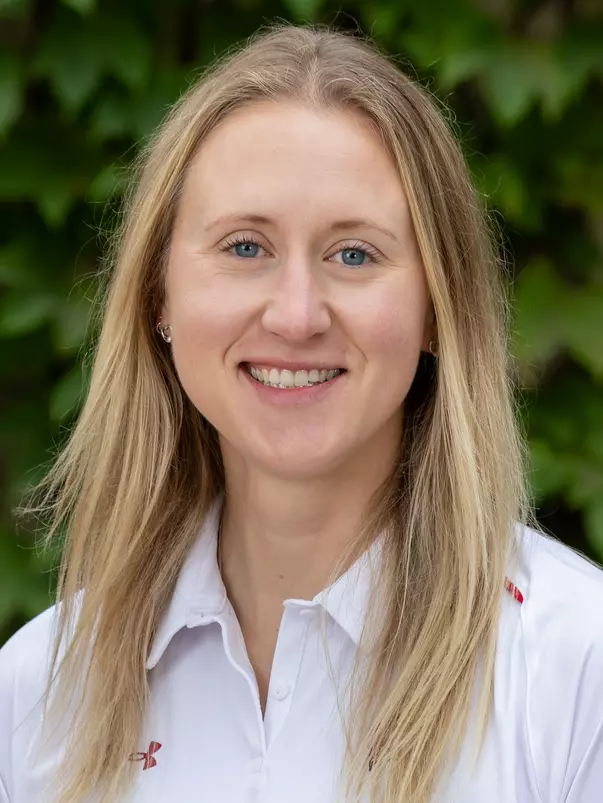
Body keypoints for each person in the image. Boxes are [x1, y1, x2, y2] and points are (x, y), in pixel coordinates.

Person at [1, 21, 602, 803]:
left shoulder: (573, 662)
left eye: (353, 254)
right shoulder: (40, 691)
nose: (295, 314)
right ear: (159, 295)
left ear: (435, 307)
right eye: (245, 247)